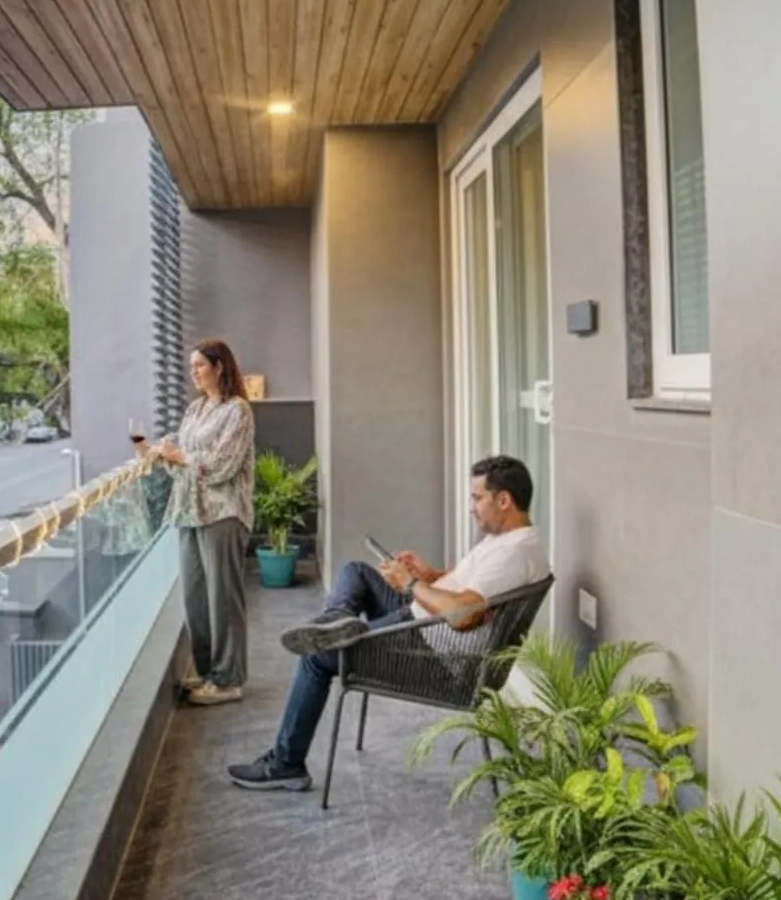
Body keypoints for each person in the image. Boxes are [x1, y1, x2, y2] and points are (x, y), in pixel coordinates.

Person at [227, 455, 549, 791]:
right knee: (357, 572)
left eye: (476, 497)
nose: (471, 506)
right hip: (425, 624)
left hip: (435, 654)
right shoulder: (513, 542)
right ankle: (336, 623)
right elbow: (471, 591)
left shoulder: (512, 554)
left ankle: (286, 764)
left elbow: (463, 615)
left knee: (316, 656)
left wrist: (411, 585)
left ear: (504, 500)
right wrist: (429, 575)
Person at [138, 339, 256, 706]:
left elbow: (223, 465)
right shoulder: (195, 408)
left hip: (223, 513)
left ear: (219, 367)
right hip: (189, 510)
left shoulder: (237, 412)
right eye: (191, 366)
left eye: (200, 365)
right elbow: (177, 448)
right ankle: (208, 672)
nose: (193, 372)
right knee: (194, 596)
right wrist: (154, 451)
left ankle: (229, 679)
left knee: (223, 597)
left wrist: (181, 456)